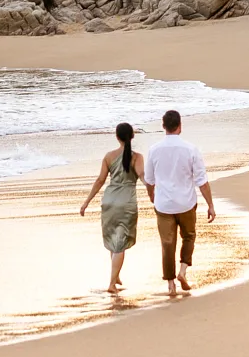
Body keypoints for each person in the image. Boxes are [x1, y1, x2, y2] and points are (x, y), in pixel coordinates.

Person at [143, 108, 216, 296]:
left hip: (164, 205)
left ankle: (170, 284)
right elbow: (202, 180)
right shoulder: (190, 149)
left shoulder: (154, 150)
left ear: (163, 126)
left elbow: (149, 180)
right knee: (189, 236)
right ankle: (182, 271)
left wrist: (152, 196)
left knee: (167, 243)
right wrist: (210, 204)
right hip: (186, 203)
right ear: (180, 126)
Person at [77, 122, 144, 292]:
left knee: (114, 239)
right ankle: (112, 284)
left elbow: (100, 180)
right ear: (132, 136)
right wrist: (154, 192)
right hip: (126, 202)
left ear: (117, 136)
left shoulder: (109, 156)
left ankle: (116, 274)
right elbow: (143, 176)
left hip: (109, 200)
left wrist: (86, 202)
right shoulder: (137, 157)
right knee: (120, 243)